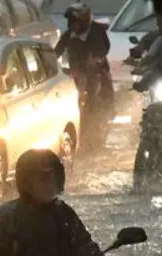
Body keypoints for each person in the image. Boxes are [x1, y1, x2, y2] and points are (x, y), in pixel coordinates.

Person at [57, 3, 113, 151]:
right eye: (71, 22)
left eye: (75, 22)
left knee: (96, 100)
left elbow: (103, 50)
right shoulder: (68, 35)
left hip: (96, 74)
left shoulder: (97, 32)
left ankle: (96, 133)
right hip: (76, 75)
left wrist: (94, 60)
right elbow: (55, 52)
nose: (72, 25)